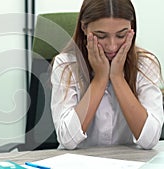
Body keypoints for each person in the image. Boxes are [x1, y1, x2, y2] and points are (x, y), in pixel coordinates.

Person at [51, 0, 164, 150]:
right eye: (101, 36)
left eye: (121, 35)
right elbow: (67, 140)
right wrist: (100, 79)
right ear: (84, 27)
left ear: (132, 29)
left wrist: (117, 77)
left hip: (129, 162)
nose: (112, 46)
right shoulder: (66, 65)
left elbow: (150, 140)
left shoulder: (145, 65)